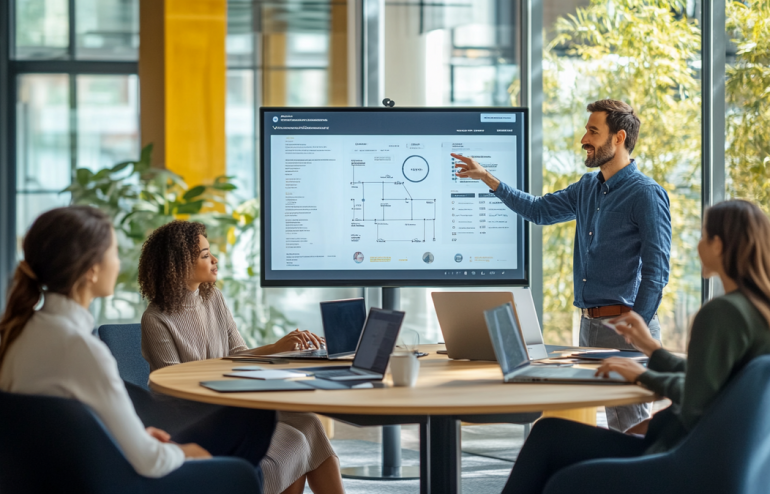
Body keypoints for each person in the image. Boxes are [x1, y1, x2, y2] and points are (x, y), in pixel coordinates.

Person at [499, 199, 770, 494]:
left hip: (680, 461)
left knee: (553, 450)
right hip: (720, 464)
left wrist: (643, 376)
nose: (699, 245)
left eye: (704, 236)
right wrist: (652, 350)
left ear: (718, 245)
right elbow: (711, 381)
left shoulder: (723, 313)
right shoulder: (757, 311)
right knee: (550, 433)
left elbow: (697, 399)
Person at [0, 206, 273, 481]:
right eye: (114, 252)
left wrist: (138, 436)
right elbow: (150, 462)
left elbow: (77, 427)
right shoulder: (81, 349)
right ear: (92, 270)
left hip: (60, 476)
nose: (118, 263)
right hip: (117, 481)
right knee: (251, 434)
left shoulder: (19, 334)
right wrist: (185, 452)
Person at [452, 99, 672, 432]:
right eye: (586, 131)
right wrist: (488, 179)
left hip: (627, 327)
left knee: (630, 426)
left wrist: (637, 329)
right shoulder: (587, 188)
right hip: (589, 325)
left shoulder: (646, 194)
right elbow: (539, 211)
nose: (584, 139)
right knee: (614, 424)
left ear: (619, 138)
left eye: (593, 131)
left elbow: (656, 273)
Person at [138, 220, 344, 494]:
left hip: (231, 403)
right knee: (294, 442)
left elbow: (236, 354)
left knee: (309, 422)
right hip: (198, 419)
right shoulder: (156, 318)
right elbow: (175, 384)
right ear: (178, 265)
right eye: (205, 255)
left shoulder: (214, 299)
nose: (214, 260)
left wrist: (277, 347)